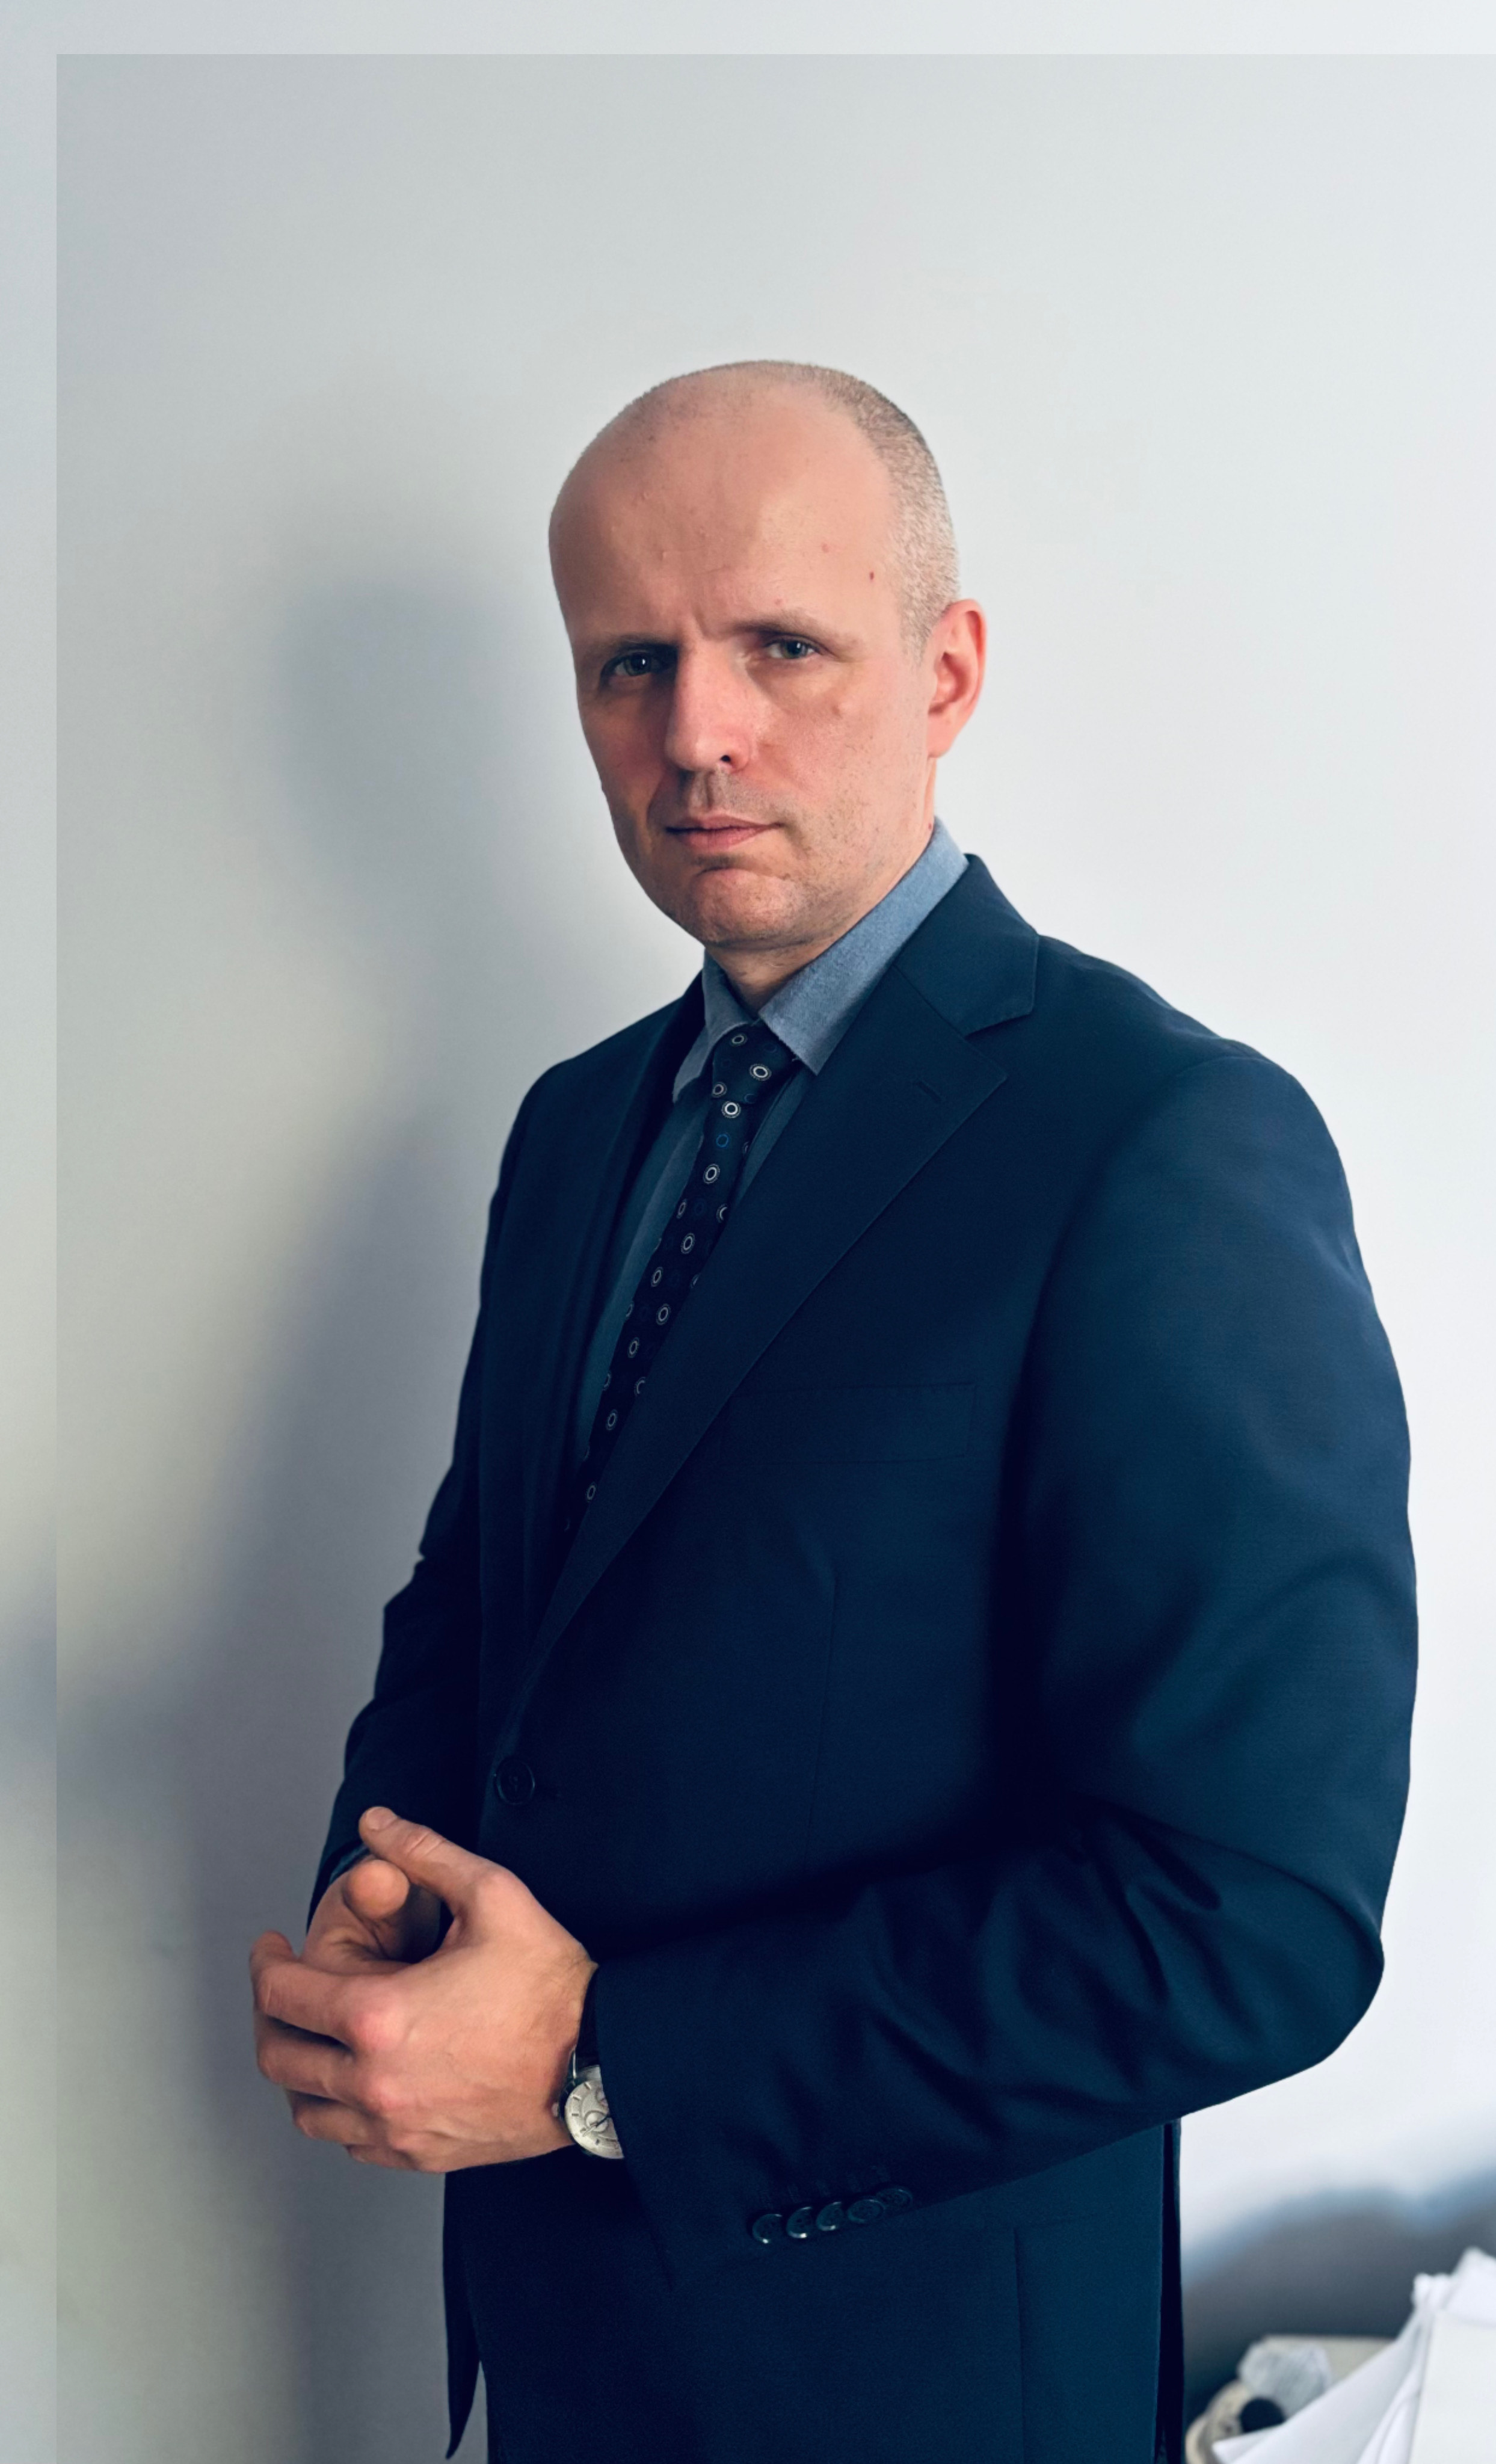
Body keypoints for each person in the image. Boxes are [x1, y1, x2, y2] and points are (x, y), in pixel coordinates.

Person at [250, 361, 1417, 2464]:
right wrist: (389, 1893)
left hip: (913, 2384)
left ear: (947, 671)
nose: (696, 731)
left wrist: (607, 2062)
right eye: (630, 663)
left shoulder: (1163, 1141)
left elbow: (1249, 1915)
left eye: (780, 645)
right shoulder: (573, 1128)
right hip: (558, 2345)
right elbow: (488, 1611)